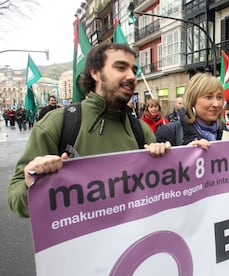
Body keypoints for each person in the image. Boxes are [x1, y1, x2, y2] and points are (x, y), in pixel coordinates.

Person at [7, 43, 171, 218]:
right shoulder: (58, 124)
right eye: (121, 67)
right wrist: (32, 182)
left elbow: (163, 194)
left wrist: (189, 155)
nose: (131, 76)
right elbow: (17, 201)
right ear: (95, 72)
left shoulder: (141, 130)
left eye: (134, 70)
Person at [156, 72, 224, 149]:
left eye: (219, 97)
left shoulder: (225, 133)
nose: (216, 104)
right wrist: (188, 153)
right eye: (208, 97)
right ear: (192, 101)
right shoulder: (169, 132)